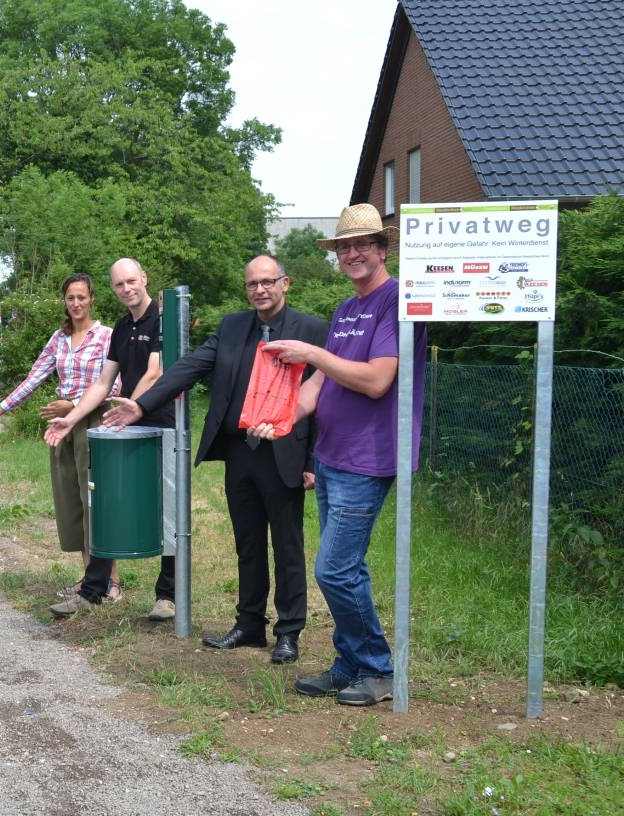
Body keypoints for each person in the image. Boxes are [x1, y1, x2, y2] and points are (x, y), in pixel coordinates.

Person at [102, 256, 328, 663]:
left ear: (285, 283)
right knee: (248, 543)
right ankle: (249, 625)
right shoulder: (232, 327)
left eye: (267, 282)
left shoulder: (312, 331)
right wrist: (141, 404)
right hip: (239, 450)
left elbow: (323, 398)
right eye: (252, 284)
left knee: (287, 545)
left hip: (284, 451)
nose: (260, 290)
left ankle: (289, 631)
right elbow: (188, 367)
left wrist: (311, 460)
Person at [249, 203, 426, 706]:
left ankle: (376, 668)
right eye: (344, 247)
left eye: (361, 245)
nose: (352, 254)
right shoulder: (349, 309)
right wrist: (279, 418)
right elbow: (319, 385)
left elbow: (376, 381)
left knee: (334, 569)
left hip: (368, 458)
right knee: (346, 568)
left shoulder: (396, 300)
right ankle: (350, 664)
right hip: (331, 455)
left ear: (382, 248)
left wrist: (312, 354)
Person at [0, 274, 123, 601]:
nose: (77, 303)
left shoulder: (107, 336)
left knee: (96, 501)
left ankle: (112, 582)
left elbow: (114, 386)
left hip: (94, 423)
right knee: (73, 501)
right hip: (62, 429)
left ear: (92, 299)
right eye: (71, 298)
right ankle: (89, 579)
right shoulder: (59, 339)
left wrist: (73, 403)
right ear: (65, 301)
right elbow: (33, 378)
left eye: (82, 297)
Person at [44, 258, 176, 621]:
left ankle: (168, 596)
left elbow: (155, 371)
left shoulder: (165, 320)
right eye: (119, 285)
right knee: (106, 504)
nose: (126, 289)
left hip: (162, 425)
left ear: (144, 278)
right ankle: (93, 590)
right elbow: (102, 383)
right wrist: (70, 419)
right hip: (127, 425)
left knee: (168, 509)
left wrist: (133, 406)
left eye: (131, 281)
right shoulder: (121, 327)